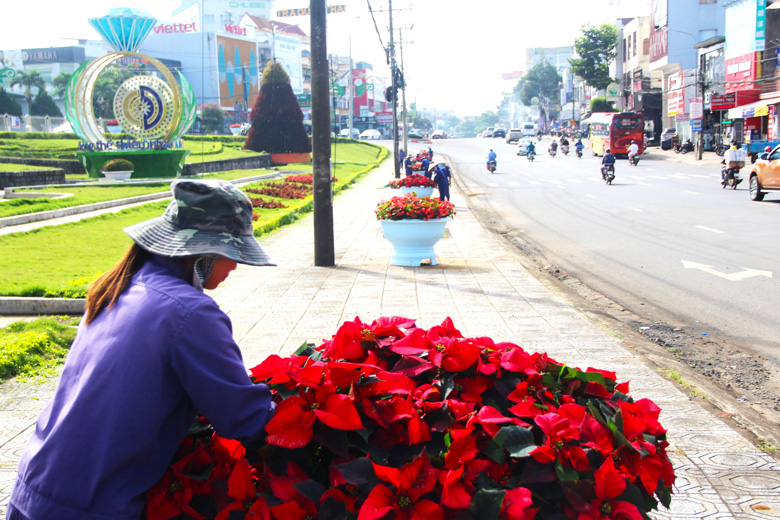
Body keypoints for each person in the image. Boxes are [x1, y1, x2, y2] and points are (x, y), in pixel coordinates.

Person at [8, 179, 277, 520]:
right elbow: (245, 419)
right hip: (90, 506)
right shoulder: (190, 312)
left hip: (35, 489)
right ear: (205, 253)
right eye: (231, 254)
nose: (235, 266)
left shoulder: (120, 287)